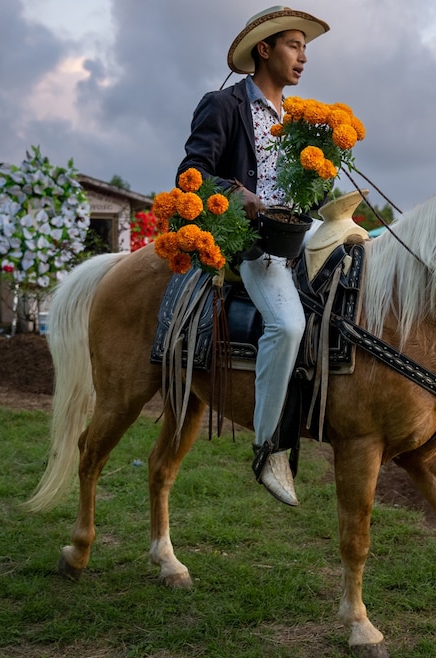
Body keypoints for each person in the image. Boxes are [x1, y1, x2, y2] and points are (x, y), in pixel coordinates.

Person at [176, 6, 330, 507]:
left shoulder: (298, 120)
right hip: (251, 242)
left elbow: (301, 193)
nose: (302, 56)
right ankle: (269, 447)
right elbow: (190, 175)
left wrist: (326, 190)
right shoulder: (223, 105)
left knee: (358, 257)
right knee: (286, 325)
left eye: (305, 47)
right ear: (263, 50)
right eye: (293, 45)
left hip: (296, 234)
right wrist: (234, 191)